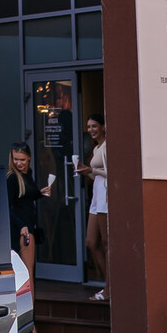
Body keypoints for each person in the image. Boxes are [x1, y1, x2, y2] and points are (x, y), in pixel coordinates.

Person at [5, 143, 51, 333]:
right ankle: (29, 324)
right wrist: (21, 225)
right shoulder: (12, 178)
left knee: (27, 275)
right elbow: (8, 207)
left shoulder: (26, 174)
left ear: (29, 158)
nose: (19, 163)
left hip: (26, 228)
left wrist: (40, 193)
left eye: (22, 159)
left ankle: (28, 323)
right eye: (16, 159)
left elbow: (25, 198)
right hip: (22, 232)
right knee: (27, 277)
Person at [75, 114, 108, 301]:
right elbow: (97, 176)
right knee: (91, 242)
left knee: (105, 243)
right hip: (96, 196)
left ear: (103, 127)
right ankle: (109, 283)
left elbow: (112, 172)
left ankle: (109, 288)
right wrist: (85, 171)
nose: (91, 130)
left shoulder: (107, 146)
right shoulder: (96, 148)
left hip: (105, 197)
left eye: (94, 126)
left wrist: (92, 170)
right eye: (88, 127)